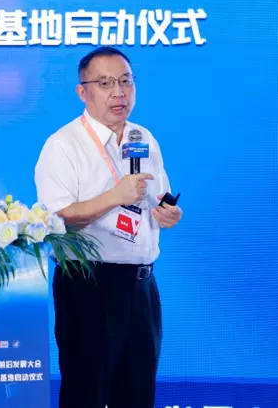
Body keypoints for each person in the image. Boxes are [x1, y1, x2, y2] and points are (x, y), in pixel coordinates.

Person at [34, 46, 182, 408]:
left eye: (126, 82)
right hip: (89, 286)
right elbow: (57, 219)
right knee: (86, 392)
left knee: (138, 394)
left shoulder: (143, 139)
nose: (119, 92)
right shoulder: (63, 145)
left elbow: (157, 198)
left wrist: (167, 213)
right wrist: (114, 197)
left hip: (142, 285)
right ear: (82, 92)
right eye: (105, 83)